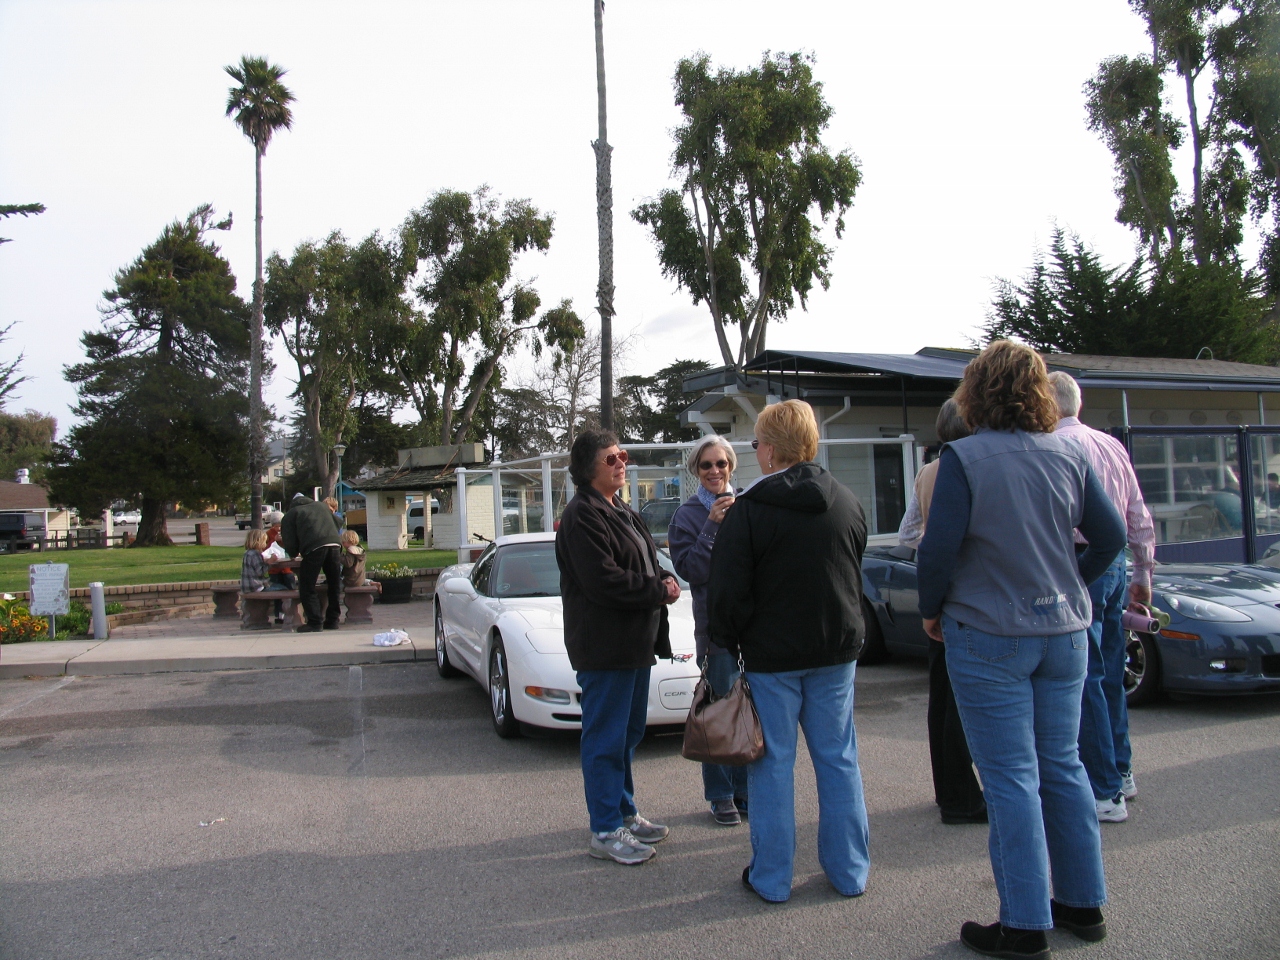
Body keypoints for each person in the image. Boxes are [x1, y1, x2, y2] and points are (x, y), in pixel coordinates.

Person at [917, 341, 1126, 958]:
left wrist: (932, 610)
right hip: (1064, 635)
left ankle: (1024, 924)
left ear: (975, 393)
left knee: (1011, 779)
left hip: (989, 636)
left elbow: (938, 549)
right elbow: (1110, 537)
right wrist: (1071, 582)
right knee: (1063, 766)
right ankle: (1084, 907)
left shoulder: (963, 457)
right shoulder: (1069, 452)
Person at [707, 399, 871, 904]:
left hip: (772, 658)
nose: (754, 453)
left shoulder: (750, 512)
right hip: (836, 650)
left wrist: (726, 640)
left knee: (772, 765)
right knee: (838, 758)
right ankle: (849, 872)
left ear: (773, 451)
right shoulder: (846, 500)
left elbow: (727, 591)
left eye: (756, 444)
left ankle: (773, 878)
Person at [554, 429, 682, 866]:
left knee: (627, 734)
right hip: (604, 646)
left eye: (622, 455)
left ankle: (624, 812)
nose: (621, 463)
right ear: (588, 467)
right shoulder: (582, 515)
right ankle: (605, 829)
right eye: (612, 458)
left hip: (635, 643)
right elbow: (603, 580)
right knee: (606, 738)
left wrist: (665, 577)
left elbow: (647, 557)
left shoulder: (621, 509)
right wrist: (656, 590)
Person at [1049, 371, 1155, 823]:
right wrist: (1144, 571)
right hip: (1115, 564)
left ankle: (1103, 788)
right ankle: (1122, 771)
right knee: (1111, 669)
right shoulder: (1112, 445)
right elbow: (1137, 512)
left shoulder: (1057, 447)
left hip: (1080, 557)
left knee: (1087, 673)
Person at [897, 398, 986, 825]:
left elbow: (907, 531)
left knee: (941, 699)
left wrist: (927, 549)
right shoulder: (973, 467)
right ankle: (963, 797)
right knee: (964, 703)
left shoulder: (926, 473)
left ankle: (947, 789)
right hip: (968, 595)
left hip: (936, 590)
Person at [667, 434, 748, 827]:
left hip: (756, 630)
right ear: (695, 471)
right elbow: (692, 572)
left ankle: (746, 790)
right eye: (706, 465)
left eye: (721, 464)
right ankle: (720, 794)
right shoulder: (686, 516)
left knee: (753, 713)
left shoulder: (748, 506)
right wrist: (712, 526)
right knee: (718, 714)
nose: (715, 471)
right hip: (717, 633)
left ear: (731, 466)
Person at [281, 492, 342, 633]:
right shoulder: (321, 506)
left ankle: (315, 622)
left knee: (307, 585)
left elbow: (289, 539)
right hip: (334, 544)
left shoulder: (292, 513)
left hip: (314, 547)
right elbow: (338, 522)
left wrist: (293, 553)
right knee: (334, 584)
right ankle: (333, 620)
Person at [240, 529, 290, 625]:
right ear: (258, 541)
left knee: (278, 586)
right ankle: (285, 616)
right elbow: (260, 571)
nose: (265, 543)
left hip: (247, 586)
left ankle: (280, 615)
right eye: (264, 541)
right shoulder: (256, 554)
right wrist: (270, 562)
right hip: (256, 586)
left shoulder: (247, 553)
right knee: (286, 589)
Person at [263, 509, 294, 624]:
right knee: (277, 593)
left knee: (290, 588)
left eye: (280, 526)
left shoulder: (288, 533)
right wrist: (273, 542)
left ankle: (291, 612)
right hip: (274, 569)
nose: (279, 529)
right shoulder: (268, 535)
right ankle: (279, 615)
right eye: (276, 526)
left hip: (287, 569)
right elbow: (265, 550)